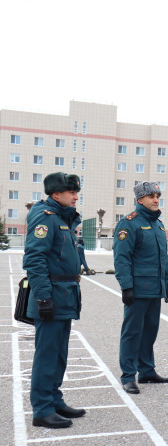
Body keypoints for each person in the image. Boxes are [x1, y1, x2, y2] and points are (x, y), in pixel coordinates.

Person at [23, 172, 85, 429]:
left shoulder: (61, 218)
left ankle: (54, 399)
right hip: (52, 295)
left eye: (76, 192)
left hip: (65, 294)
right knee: (47, 354)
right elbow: (34, 259)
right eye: (71, 193)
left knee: (59, 353)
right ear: (56, 194)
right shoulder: (45, 218)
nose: (75, 196)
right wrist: (43, 298)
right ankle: (42, 409)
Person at [113, 182, 168, 395]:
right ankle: (128, 376)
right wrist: (126, 287)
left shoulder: (158, 225)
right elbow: (122, 258)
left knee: (149, 331)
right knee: (132, 333)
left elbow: (162, 259)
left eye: (157, 196)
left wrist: (167, 284)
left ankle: (146, 371)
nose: (156, 199)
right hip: (137, 290)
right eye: (151, 196)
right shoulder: (129, 223)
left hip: (154, 288)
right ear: (140, 200)